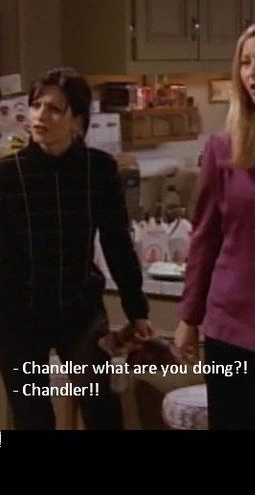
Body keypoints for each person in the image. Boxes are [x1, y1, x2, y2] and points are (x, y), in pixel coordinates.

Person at [0, 68, 154, 429]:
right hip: (19, 314)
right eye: (36, 105)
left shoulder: (98, 170)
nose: (41, 115)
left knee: (102, 409)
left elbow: (117, 243)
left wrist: (137, 310)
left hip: (79, 308)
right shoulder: (7, 175)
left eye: (55, 109)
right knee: (32, 418)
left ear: (77, 121)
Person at [174, 20, 255, 430]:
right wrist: (189, 318)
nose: (253, 72)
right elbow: (205, 237)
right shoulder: (222, 148)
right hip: (234, 316)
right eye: (246, 62)